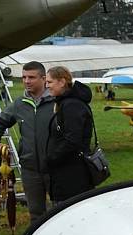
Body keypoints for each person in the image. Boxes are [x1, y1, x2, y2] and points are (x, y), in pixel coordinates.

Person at [0, 61, 55, 224]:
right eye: (24, 77)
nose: (26, 81)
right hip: (30, 168)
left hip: (56, 167)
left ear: (43, 78)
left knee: (61, 210)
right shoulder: (20, 104)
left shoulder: (57, 101)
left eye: (31, 77)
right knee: (36, 213)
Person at [45, 66, 94, 203]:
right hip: (66, 171)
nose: (47, 86)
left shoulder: (71, 105)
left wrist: (52, 158)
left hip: (72, 176)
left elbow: (73, 140)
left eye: (50, 82)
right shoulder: (65, 103)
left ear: (61, 82)